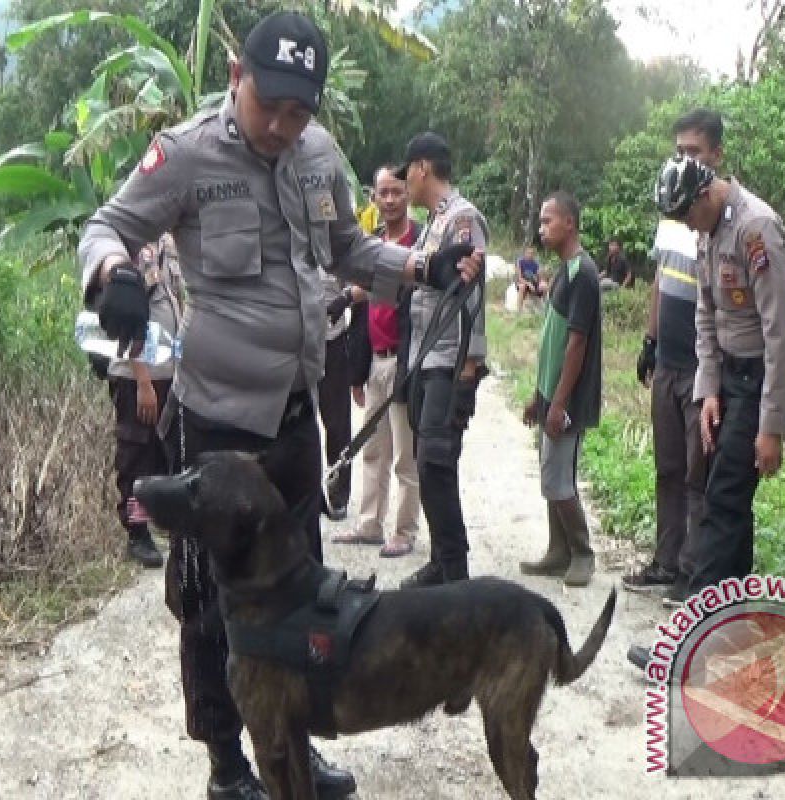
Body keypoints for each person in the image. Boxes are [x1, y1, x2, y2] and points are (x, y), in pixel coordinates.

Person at [77, 12, 483, 799]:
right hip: (219, 427)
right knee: (207, 604)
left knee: (302, 589)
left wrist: (424, 267)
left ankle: (297, 748)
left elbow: (347, 253)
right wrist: (113, 276)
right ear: (237, 75)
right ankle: (228, 767)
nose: (281, 125)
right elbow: (107, 226)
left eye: (299, 111)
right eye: (269, 105)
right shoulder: (188, 153)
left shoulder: (318, 154)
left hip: (296, 416)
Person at [654, 156, 785, 593]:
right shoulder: (707, 233)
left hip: (758, 384)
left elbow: (780, 334)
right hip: (727, 382)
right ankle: (726, 629)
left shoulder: (757, 229)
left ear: (705, 192)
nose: (689, 226)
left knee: (720, 501)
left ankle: (689, 637)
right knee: (730, 505)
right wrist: (709, 388)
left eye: (688, 214)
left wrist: (772, 427)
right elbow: (706, 315)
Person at [626, 109, 723, 602]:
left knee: (695, 475)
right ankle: (666, 561)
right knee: (666, 468)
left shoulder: (719, 216)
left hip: (702, 368)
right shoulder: (671, 212)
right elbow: (661, 282)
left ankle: (692, 572)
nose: (685, 159)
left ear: (716, 155)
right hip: (667, 360)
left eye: (695, 151)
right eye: (680, 150)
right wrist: (649, 340)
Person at [395, 132, 491, 589]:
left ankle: (453, 568)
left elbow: (472, 297)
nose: (405, 185)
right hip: (428, 358)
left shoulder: (462, 219)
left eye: (406, 175)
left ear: (421, 169)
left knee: (436, 460)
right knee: (427, 460)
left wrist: (470, 366)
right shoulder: (436, 221)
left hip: (451, 360)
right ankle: (443, 561)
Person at [332, 165, 422, 557]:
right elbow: (365, 300)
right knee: (372, 448)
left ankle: (403, 531)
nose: (389, 200)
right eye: (382, 193)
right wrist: (356, 369)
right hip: (375, 360)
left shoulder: (421, 242)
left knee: (406, 453)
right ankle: (370, 524)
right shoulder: (371, 244)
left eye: (396, 192)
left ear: (407, 194)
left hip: (405, 360)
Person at [519, 191, 603, 588]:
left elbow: (576, 344)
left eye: (548, 220)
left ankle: (582, 552)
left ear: (570, 223)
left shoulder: (583, 274)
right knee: (549, 472)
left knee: (559, 478)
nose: (542, 228)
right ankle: (558, 550)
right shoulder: (561, 272)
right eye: (541, 221)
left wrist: (560, 402)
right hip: (552, 394)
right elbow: (552, 340)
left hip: (568, 399)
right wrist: (540, 395)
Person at [107, 235, 184, 568]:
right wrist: (142, 381)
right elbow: (127, 322)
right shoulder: (128, 252)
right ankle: (137, 533)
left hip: (168, 369)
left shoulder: (168, 244)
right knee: (136, 453)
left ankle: (167, 522)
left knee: (166, 450)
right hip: (137, 374)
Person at [320, 270, 352, 519]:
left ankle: (338, 495)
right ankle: (305, 493)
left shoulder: (335, 240)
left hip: (333, 341)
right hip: (296, 344)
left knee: (338, 425)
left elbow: (359, 288)